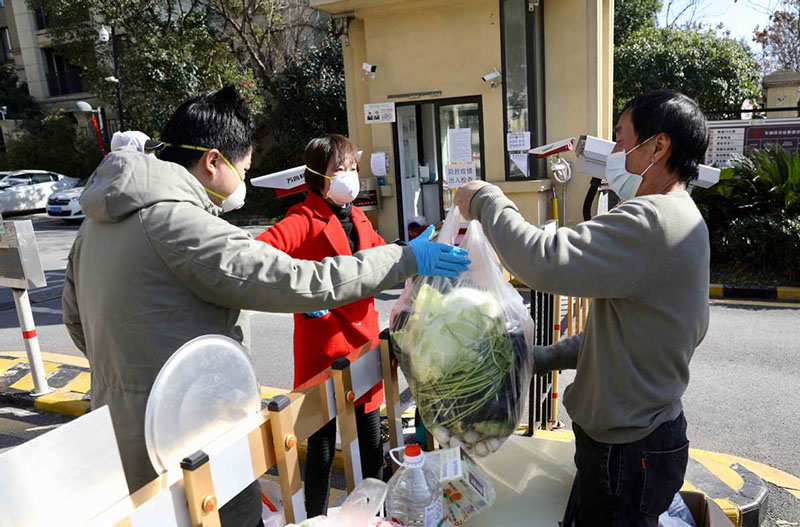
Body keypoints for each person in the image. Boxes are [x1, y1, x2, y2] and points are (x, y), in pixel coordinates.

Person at [62, 86, 469, 527]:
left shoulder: (97, 224)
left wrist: (131, 380)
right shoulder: (178, 224)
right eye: (242, 167)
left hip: (119, 433)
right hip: (189, 440)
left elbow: (76, 321)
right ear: (212, 161)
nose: (243, 178)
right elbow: (297, 278)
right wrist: (406, 258)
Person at [454, 89, 710, 527]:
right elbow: (623, 333)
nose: (613, 151)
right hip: (644, 438)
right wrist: (541, 358)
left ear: (658, 146)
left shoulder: (651, 220)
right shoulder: (684, 217)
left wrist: (486, 200)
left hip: (628, 452)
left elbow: (543, 259)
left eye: (621, 137)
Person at [255, 134, 384, 516]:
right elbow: (260, 254)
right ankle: (313, 518)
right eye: (338, 170)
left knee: (372, 440)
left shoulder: (359, 216)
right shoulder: (303, 220)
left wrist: (413, 252)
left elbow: (382, 256)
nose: (349, 176)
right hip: (323, 350)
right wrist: (299, 295)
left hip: (365, 344)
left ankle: (373, 513)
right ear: (316, 177)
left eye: (352, 169)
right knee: (323, 447)